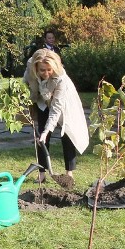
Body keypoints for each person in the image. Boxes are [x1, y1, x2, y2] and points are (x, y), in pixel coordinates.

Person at [23, 49, 89, 182]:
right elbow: (25, 84)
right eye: (42, 70)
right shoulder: (30, 66)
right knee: (41, 136)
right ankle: (42, 173)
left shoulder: (61, 79)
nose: (46, 73)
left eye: (49, 70)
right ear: (36, 67)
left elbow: (56, 108)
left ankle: (69, 173)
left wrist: (49, 130)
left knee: (67, 134)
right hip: (42, 100)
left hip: (63, 103)